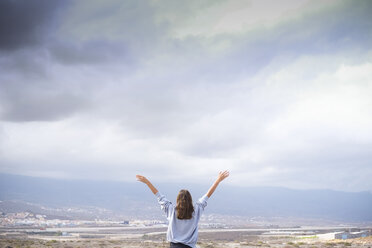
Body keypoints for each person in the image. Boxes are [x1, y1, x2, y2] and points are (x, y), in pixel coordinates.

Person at [136, 171, 230, 248]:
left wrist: (147, 182)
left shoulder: (171, 210)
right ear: (190, 199)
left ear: (177, 199)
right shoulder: (196, 211)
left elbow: (159, 195)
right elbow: (207, 195)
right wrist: (218, 181)